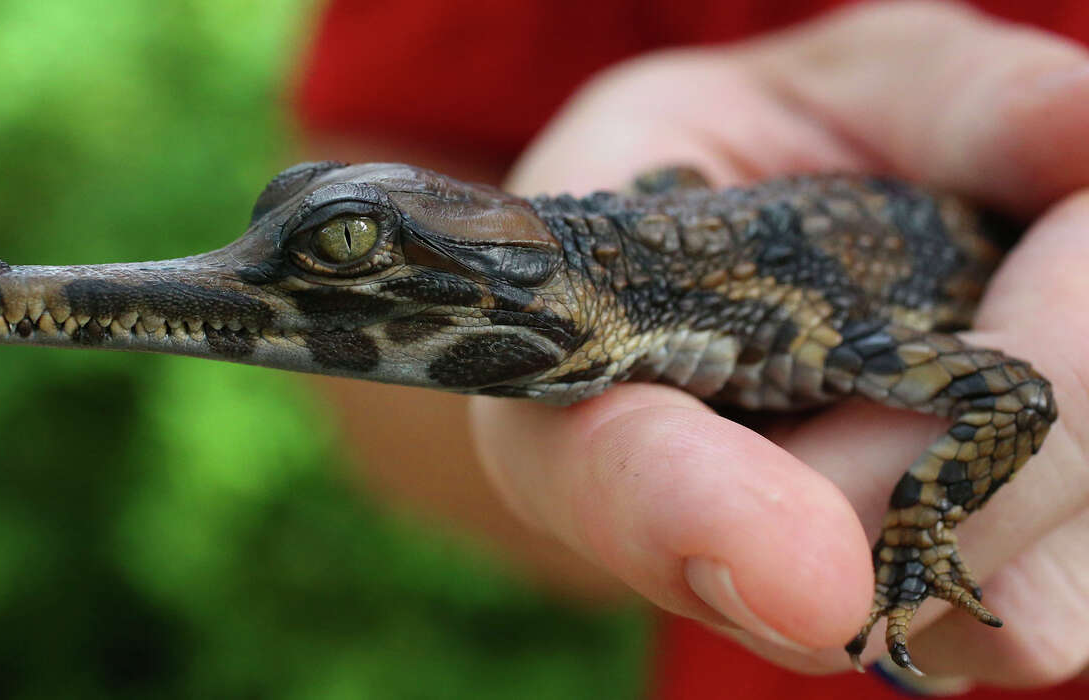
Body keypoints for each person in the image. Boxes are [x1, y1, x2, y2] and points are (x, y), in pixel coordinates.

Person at [294, 1, 1089, 696]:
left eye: (348, 242)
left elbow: (1015, 398)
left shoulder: (810, 326)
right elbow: (395, 124)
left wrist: (918, 535)